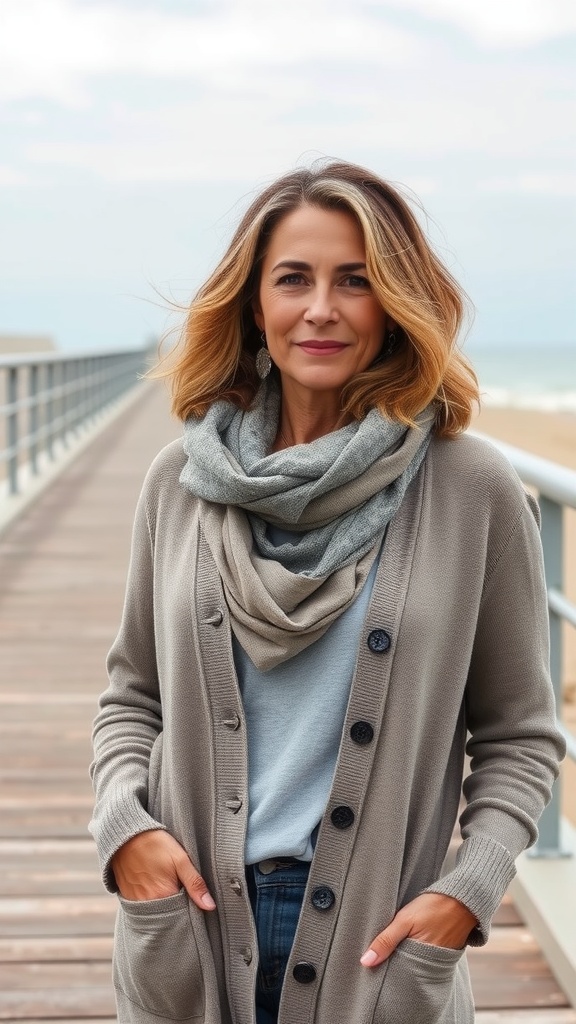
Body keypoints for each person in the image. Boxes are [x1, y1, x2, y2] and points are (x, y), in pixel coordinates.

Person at [89, 160, 565, 1024]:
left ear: (396, 302)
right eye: (293, 279)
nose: (321, 308)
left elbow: (522, 736)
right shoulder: (180, 484)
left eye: (356, 281)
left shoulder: (471, 488)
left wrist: (467, 891)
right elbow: (131, 695)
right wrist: (126, 829)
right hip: (189, 934)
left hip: (378, 949)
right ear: (252, 303)